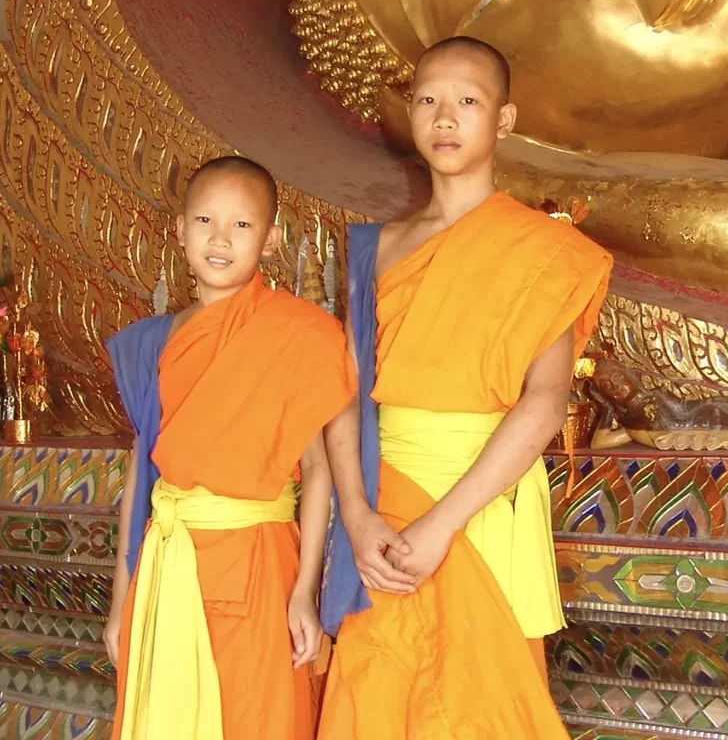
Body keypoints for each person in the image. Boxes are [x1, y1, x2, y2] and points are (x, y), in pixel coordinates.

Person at [318, 36, 613, 739]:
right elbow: (344, 393)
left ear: (504, 121)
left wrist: (442, 524)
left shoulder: (545, 249)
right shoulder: (376, 246)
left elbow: (544, 401)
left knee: (484, 711)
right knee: (377, 703)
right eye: (427, 100)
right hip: (382, 519)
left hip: (478, 510)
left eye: (467, 102)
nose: (444, 118)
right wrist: (358, 519)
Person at [104, 156, 354, 740]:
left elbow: (318, 469)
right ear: (180, 229)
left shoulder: (301, 333)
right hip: (166, 563)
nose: (220, 239)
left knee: (254, 716)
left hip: (259, 565)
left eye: (241, 226)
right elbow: (141, 478)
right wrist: (121, 600)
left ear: (271, 240)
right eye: (205, 220)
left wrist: (304, 593)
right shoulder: (154, 344)